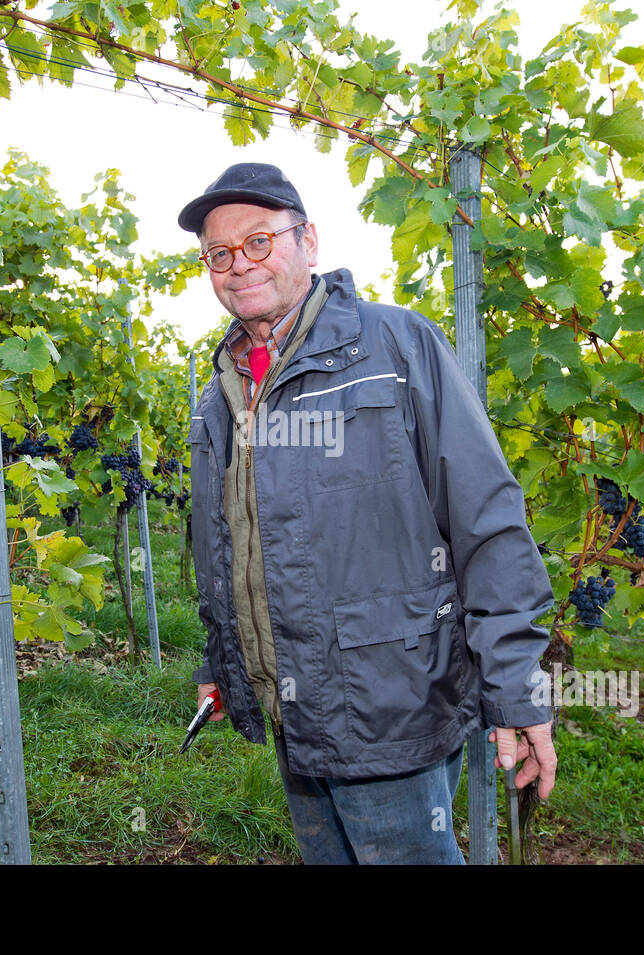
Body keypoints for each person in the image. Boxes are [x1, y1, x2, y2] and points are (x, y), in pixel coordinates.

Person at [179, 162, 557, 864]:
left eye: (258, 241)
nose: (238, 265)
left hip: (393, 707)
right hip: (293, 709)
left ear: (310, 242)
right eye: (219, 254)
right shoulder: (220, 395)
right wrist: (222, 663)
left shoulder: (395, 348)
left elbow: (487, 518)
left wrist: (519, 687)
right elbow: (221, 547)